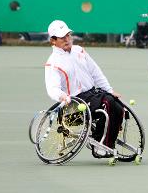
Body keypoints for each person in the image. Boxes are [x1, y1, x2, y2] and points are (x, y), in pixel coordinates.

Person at [44, 20, 123, 158]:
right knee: (108, 103)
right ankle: (99, 145)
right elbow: (52, 88)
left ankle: (108, 144)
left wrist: (109, 90)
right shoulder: (53, 63)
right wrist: (62, 96)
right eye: (63, 37)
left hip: (93, 94)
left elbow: (95, 72)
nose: (67, 39)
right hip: (74, 102)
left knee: (118, 105)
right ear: (53, 41)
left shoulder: (79, 50)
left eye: (68, 35)